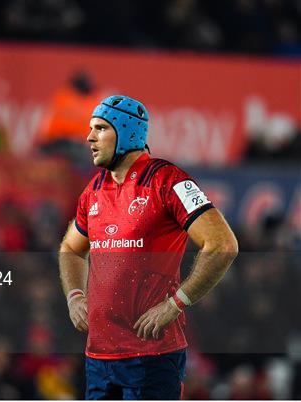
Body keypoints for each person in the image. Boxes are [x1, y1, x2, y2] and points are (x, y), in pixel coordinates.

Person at [59, 95, 238, 399]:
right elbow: (72, 249)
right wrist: (75, 296)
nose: (89, 137)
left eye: (100, 128)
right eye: (90, 128)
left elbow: (222, 244)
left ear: (128, 132)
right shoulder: (93, 191)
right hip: (98, 358)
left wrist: (176, 303)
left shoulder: (167, 180)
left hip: (152, 357)